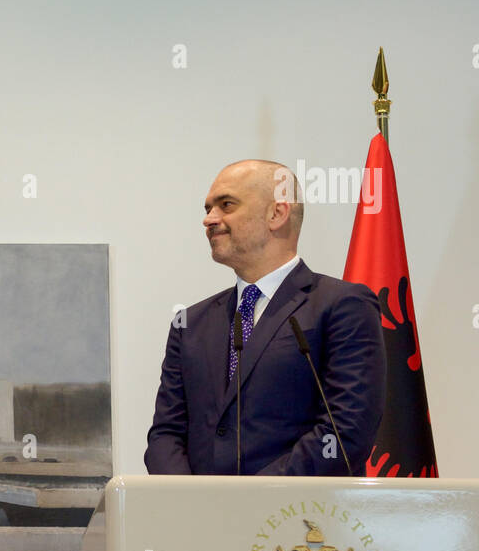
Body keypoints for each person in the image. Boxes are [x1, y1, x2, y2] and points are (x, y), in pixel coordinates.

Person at [145, 159, 385, 475]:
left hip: (295, 517)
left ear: (277, 214)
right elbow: (166, 434)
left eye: (225, 205)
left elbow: (344, 431)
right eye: (207, 209)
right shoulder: (189, 324)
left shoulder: (342, 306)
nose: (209, 219)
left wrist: (253, 500)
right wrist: (192, 501)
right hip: (199, 518)